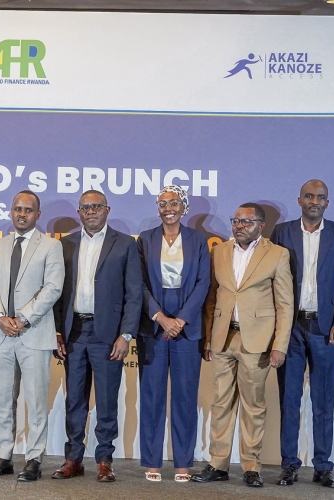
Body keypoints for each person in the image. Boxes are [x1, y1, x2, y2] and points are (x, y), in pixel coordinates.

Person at [193, 202, 294, 488]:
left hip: (258, 341)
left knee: (253, 406)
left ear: (261, 226)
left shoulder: (276, 254)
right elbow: (212, 298)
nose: (239, 226)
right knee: (221, 403)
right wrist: (210, 338)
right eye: (236, 221)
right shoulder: (220, 251)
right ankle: (218, 463)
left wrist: (280, 345)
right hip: (224, 338)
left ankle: (251, 466)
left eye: (246, 222)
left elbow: (285, 305)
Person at [52, 190, 143, 482]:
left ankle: (105, 460)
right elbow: (56, 294)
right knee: (74, 401)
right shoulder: (65, 244)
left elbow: (134, 294)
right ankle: (73, 459)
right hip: (74, 331)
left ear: (107, 210)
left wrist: (126, 334)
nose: (91, 211)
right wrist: (56, 331)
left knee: (106, 401)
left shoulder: (125, 244)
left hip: (108, 334)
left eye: (96, 206)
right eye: (85, 207)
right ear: (79, 212)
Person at [269, 180, 334, 488]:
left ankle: (323, 466)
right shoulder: (282, 232)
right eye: (309, 196)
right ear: (299, 200)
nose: (314, 201)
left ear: (327, 203)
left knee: (323, 401)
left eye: (320, 197)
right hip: (290, 328)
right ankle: (289, 464)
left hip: (326, 327)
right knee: (290, 400)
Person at [0, 190, 63, 482]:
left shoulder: (51, 246)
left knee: (36, 400)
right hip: (2, 334)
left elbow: (53, 288)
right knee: (3, 399)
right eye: (17, 209)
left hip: (34, 333)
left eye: (28, 210)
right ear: (11, 212)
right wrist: (1, 318)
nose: (21, 214)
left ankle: (34, 458)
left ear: (38, 214)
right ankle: (3, 455)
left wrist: (23, 318)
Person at [136, 185, 210, 483]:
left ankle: (183, 463)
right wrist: (160, 316)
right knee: (152, 397)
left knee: (184, 399)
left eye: (174, 202)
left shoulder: (198, 240)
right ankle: (152, 461)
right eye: (163, 202)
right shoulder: (145, 240)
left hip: (186, 328)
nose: (168, 207)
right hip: (154, 327)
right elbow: (138, 283)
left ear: (184, 207)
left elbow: (204, 283)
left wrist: (180, 319)